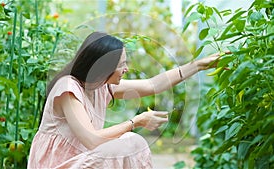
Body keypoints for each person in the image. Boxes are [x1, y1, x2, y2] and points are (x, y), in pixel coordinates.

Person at [28, 31, 225, 169]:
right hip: (59, 164)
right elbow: (93, 140)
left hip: (82, 160)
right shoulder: (68, 88)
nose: (126, 69)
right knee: (126, 142)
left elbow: (152, 85)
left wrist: (198, 65)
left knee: (131, 143)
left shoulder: (100, 86)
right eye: (121, 65)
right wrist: (135, 122)